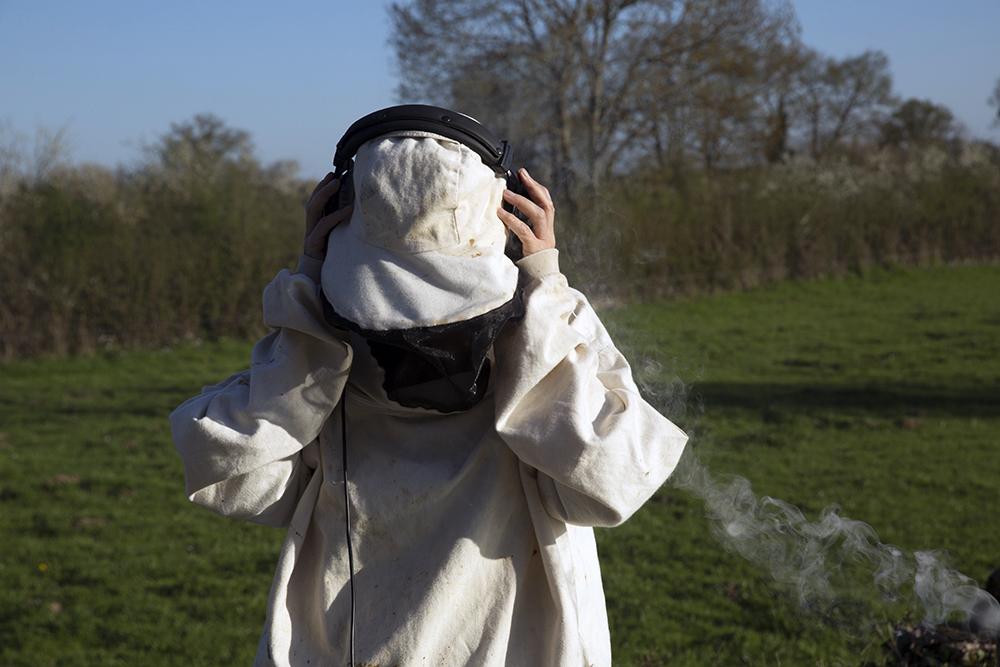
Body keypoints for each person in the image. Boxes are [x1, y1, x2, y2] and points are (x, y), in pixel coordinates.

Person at [169, 109, 689, 667]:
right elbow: (237, 472)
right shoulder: (545, 340)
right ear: (508, 216)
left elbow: (610, 479)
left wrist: (307, 298)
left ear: (341, 219)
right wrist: (547, 287)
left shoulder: (322, 351)